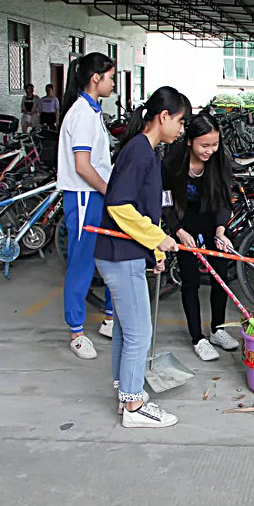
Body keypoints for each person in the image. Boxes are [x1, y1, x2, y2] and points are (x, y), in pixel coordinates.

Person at [94, 86, 187, 428]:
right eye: (180, 121)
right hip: (120, 256)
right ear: (163, 117)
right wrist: (158, 238)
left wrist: (154, 250)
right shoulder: (139, 152)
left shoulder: (147, 152)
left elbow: (144, 210)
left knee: (126, 329)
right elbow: (119, 205)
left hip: (127, 254)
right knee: (139, 333)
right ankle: (133, 406)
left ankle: (126, 393)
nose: (181, 130)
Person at [162, 111, 239, 362]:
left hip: (211, 220)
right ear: (189, 141)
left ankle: (217, 329)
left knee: (221, 275)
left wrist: (221, 231)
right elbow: (165, 201)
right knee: (190, 280)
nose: (210, 150)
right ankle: (198, 338)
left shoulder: (219, 160)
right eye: (204, 145)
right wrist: (178, 230)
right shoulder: (173, 161)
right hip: (183, 221)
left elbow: (224, 200)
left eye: (214, 144)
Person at [57, 53, 116, 359]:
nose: (113, 83)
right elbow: (82, 166)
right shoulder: (80, 113)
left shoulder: (93, 111)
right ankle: (77, 332)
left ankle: (109, 320)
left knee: (109, 256)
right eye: (111, 77)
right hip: (84, 196)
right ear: (96, 77)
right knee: (81, 263)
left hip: (96, 195)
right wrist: (109, 191)